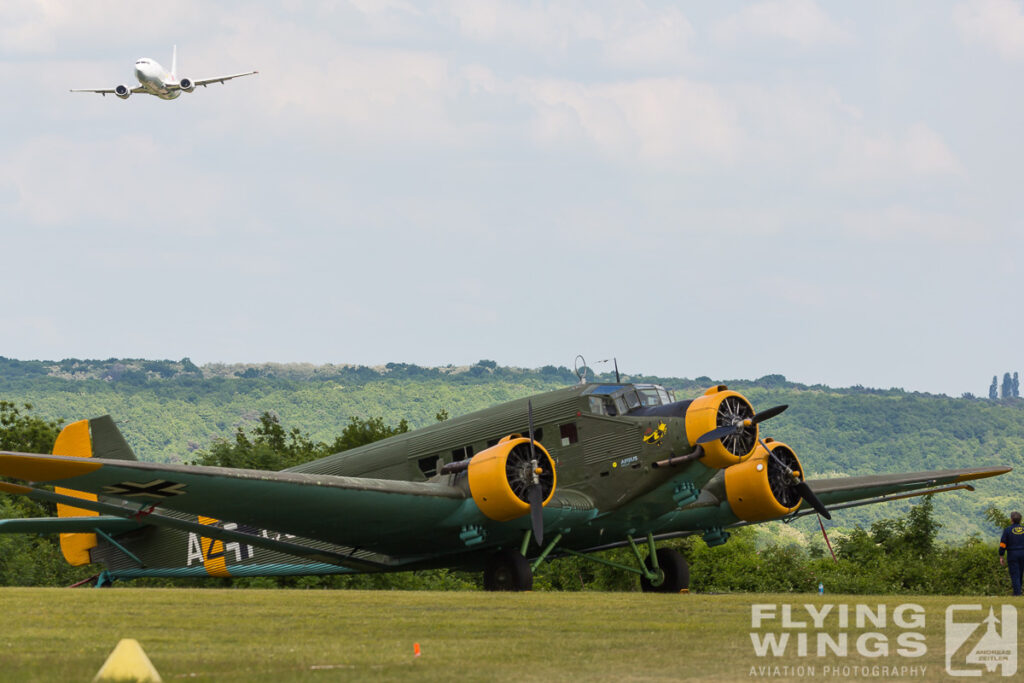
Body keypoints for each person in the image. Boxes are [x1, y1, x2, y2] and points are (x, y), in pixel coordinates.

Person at [999, 511, 1024, 596]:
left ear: (1011, 520)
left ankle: (1017, 594)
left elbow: (1003, 544)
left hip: (1013, 554)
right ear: (1020, 520)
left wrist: (1001, 555)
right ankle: (1018, 591)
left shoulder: (1007, 530)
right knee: (1020, 573)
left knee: (1014, 574)